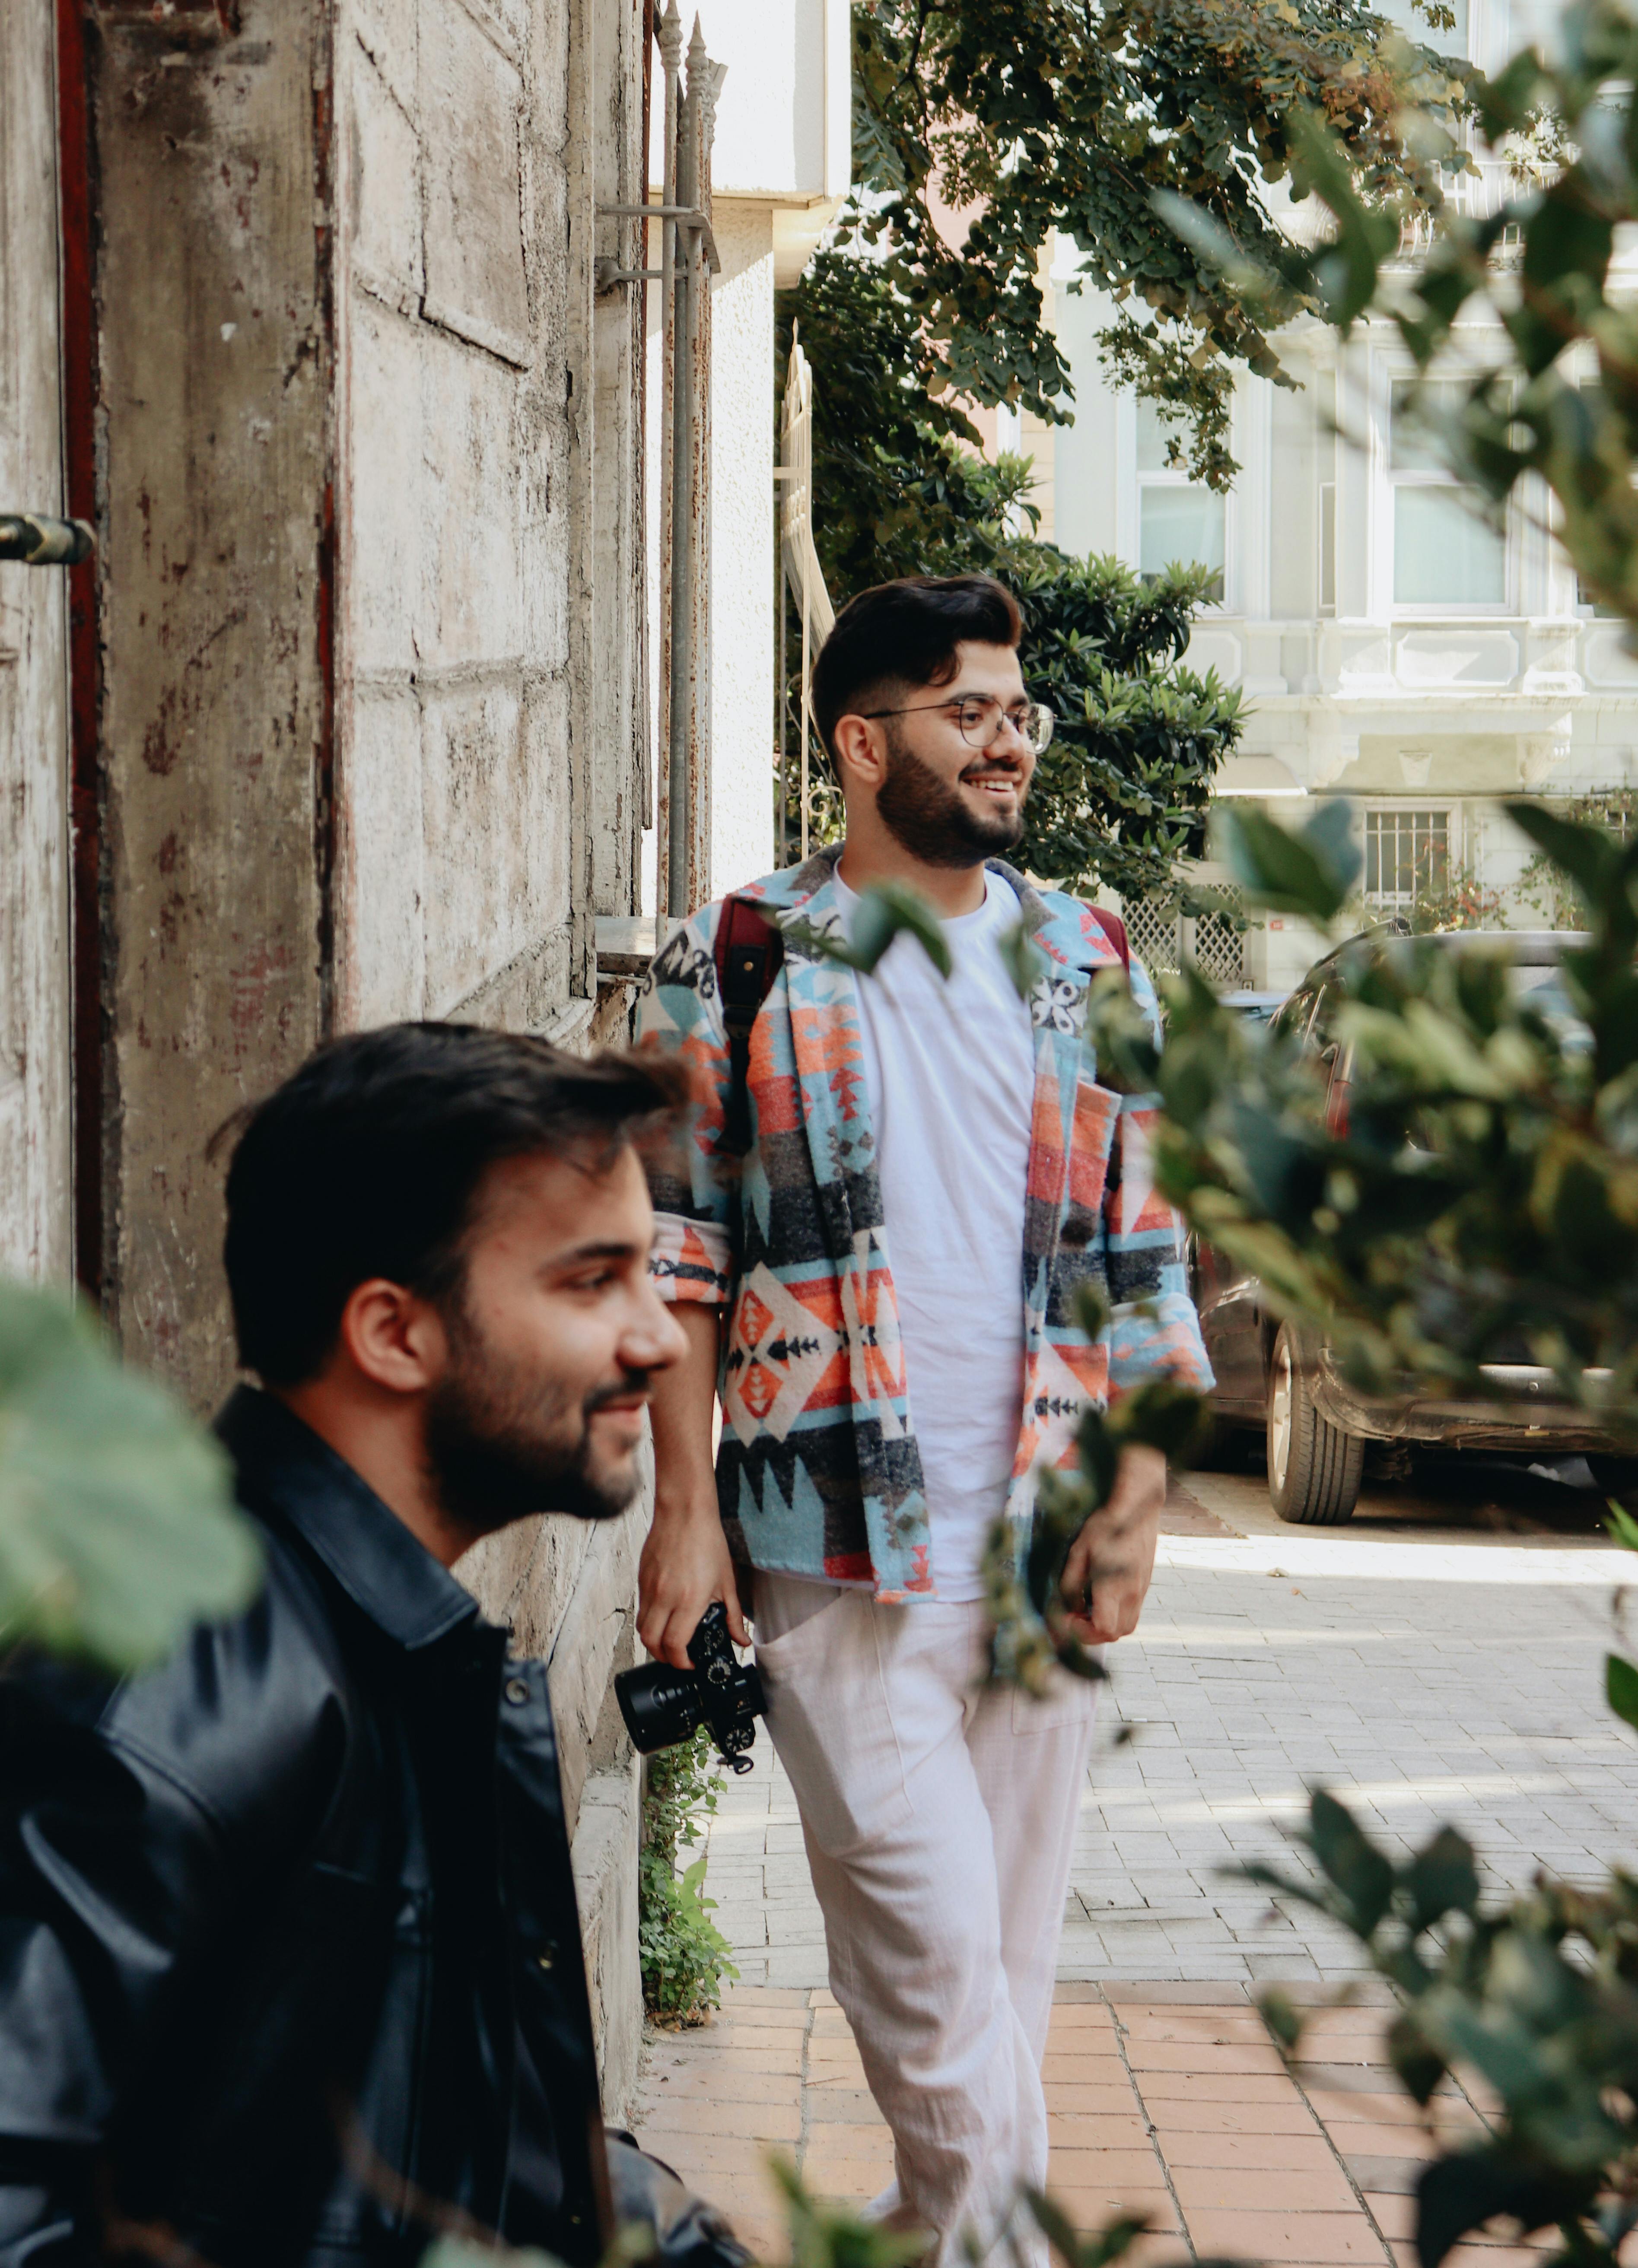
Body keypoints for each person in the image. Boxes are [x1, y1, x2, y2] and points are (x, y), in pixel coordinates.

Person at [635, 575, 1212, 2261]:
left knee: (992, 1989)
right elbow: (678, 1253)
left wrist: (1144, 1490)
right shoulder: (736, 955)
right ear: (863, 740)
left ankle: (920, 2234)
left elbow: (1142, 1248)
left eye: (1018, 708)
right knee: (945, 1987)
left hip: (1038, 1552)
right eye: (971, 710)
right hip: (837, 1551)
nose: (1010, 737)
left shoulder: (1083, 956)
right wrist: (683, 1512)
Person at [0, 1025, 745, 2268]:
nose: (661, 1336)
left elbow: (459, 2120)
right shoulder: (182, 1689)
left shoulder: (396, 1644)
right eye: (590, 1279)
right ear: (394, 1331)